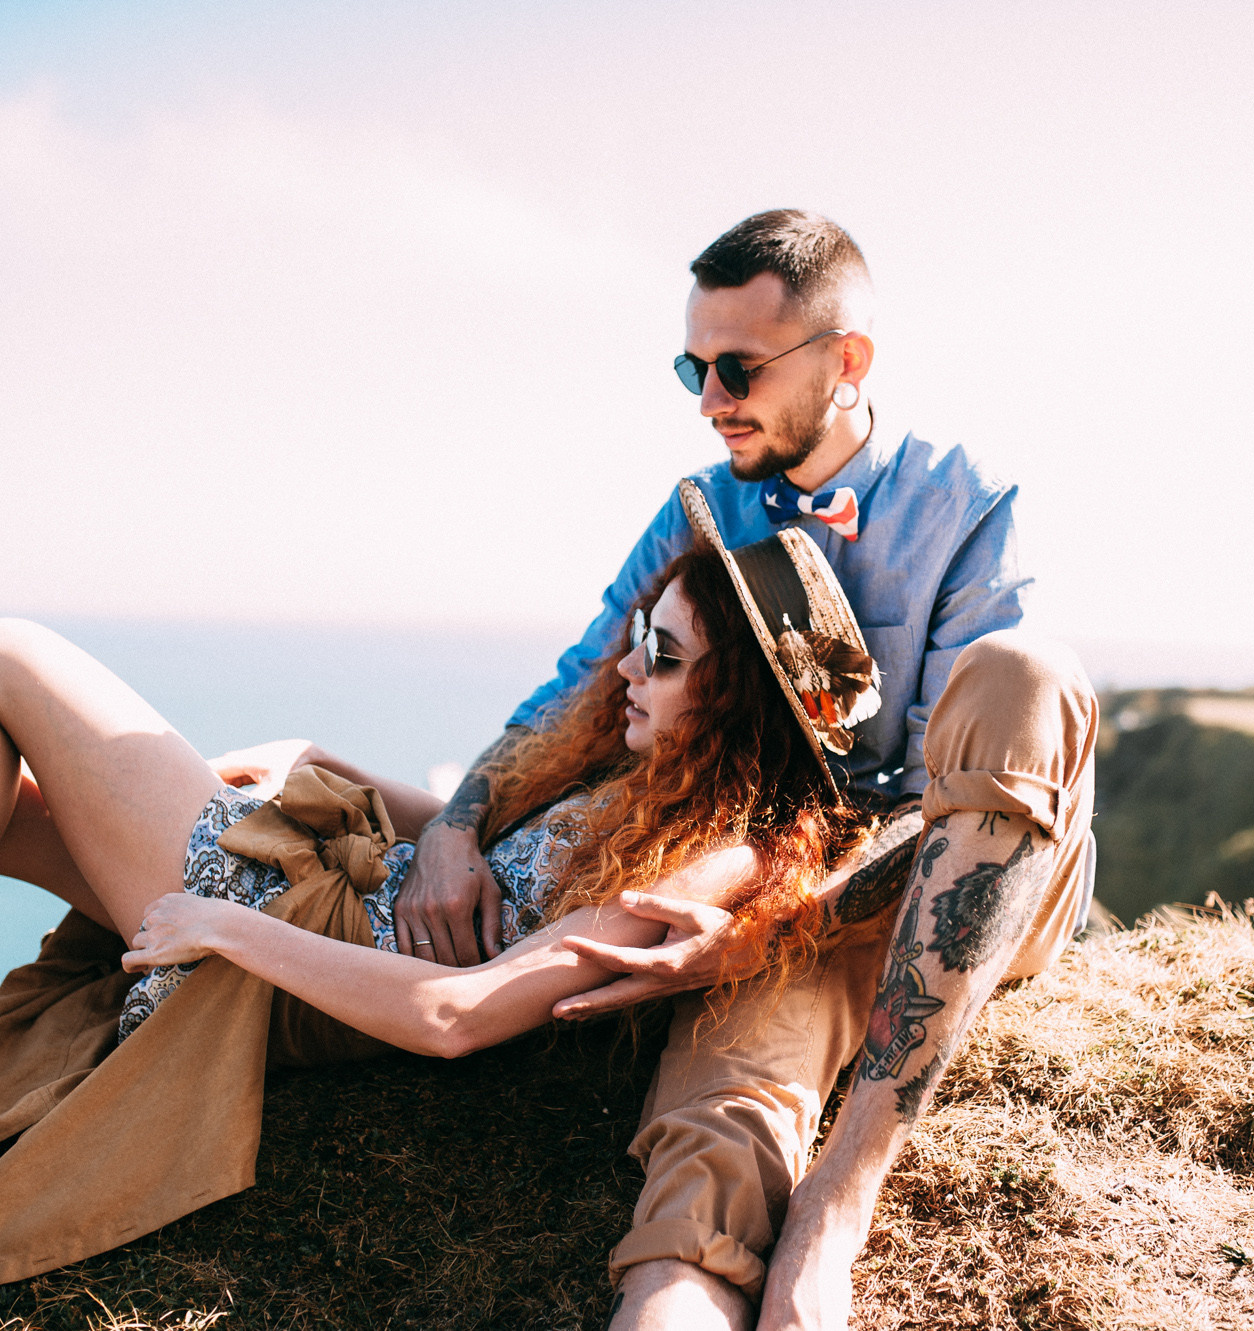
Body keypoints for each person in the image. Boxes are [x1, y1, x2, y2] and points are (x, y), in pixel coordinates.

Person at [0, 513, 888, 1331]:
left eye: (662, 654)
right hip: (318, 899)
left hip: (304, 944)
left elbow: (458, 1013)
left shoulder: (714, 862)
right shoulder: (647, 779)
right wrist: (315, 756)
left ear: (735, 698)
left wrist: (227, 929)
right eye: (637, 636)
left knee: (1, 655)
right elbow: (466, 838)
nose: (627, 665)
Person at [391, 210, 1101, 1330]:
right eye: (693, 368)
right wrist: (453, 824)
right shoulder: (700, 504)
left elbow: (951, 804)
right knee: (709, 1169)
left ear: (846, 359)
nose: (708, 398)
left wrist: (775, 916)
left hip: (962, 868)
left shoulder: (965, 502)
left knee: (1025, 674)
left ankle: (841, 1198)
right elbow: (576, 685)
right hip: (770, 878)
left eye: (738, 368)